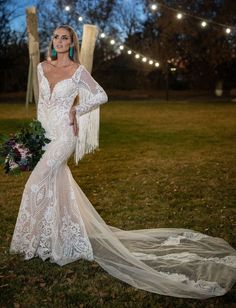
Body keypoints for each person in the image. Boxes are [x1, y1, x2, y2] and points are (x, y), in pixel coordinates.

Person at [10, 25, 236, 299]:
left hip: (64, 136)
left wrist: (76, 110)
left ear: (72, 43)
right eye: (56, 36)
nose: (59, 41)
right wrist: (34, 135)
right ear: (53, 41)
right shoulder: (42, 68)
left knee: (36, 184)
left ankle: (34, 240)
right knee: (56, 184)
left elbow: (100, 95)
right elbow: (41, 104)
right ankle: (54, 241)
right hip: (45, 134)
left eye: (65, 37)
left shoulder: (78, 71)